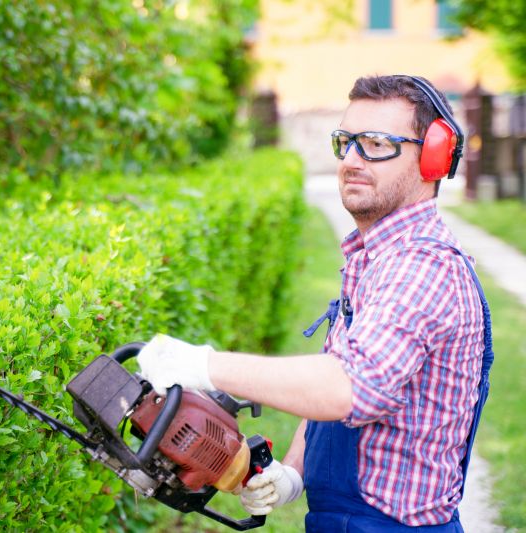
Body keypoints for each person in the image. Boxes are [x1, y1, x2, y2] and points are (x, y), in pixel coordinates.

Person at [137, 74, 493, 532]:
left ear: (434, 157)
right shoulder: (376, 258)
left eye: (377, 144)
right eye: (346, 142)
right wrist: (293, 473)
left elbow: (349, 386)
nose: (352, 160)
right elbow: (338, 369)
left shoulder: (422, 266)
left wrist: (205, 365)